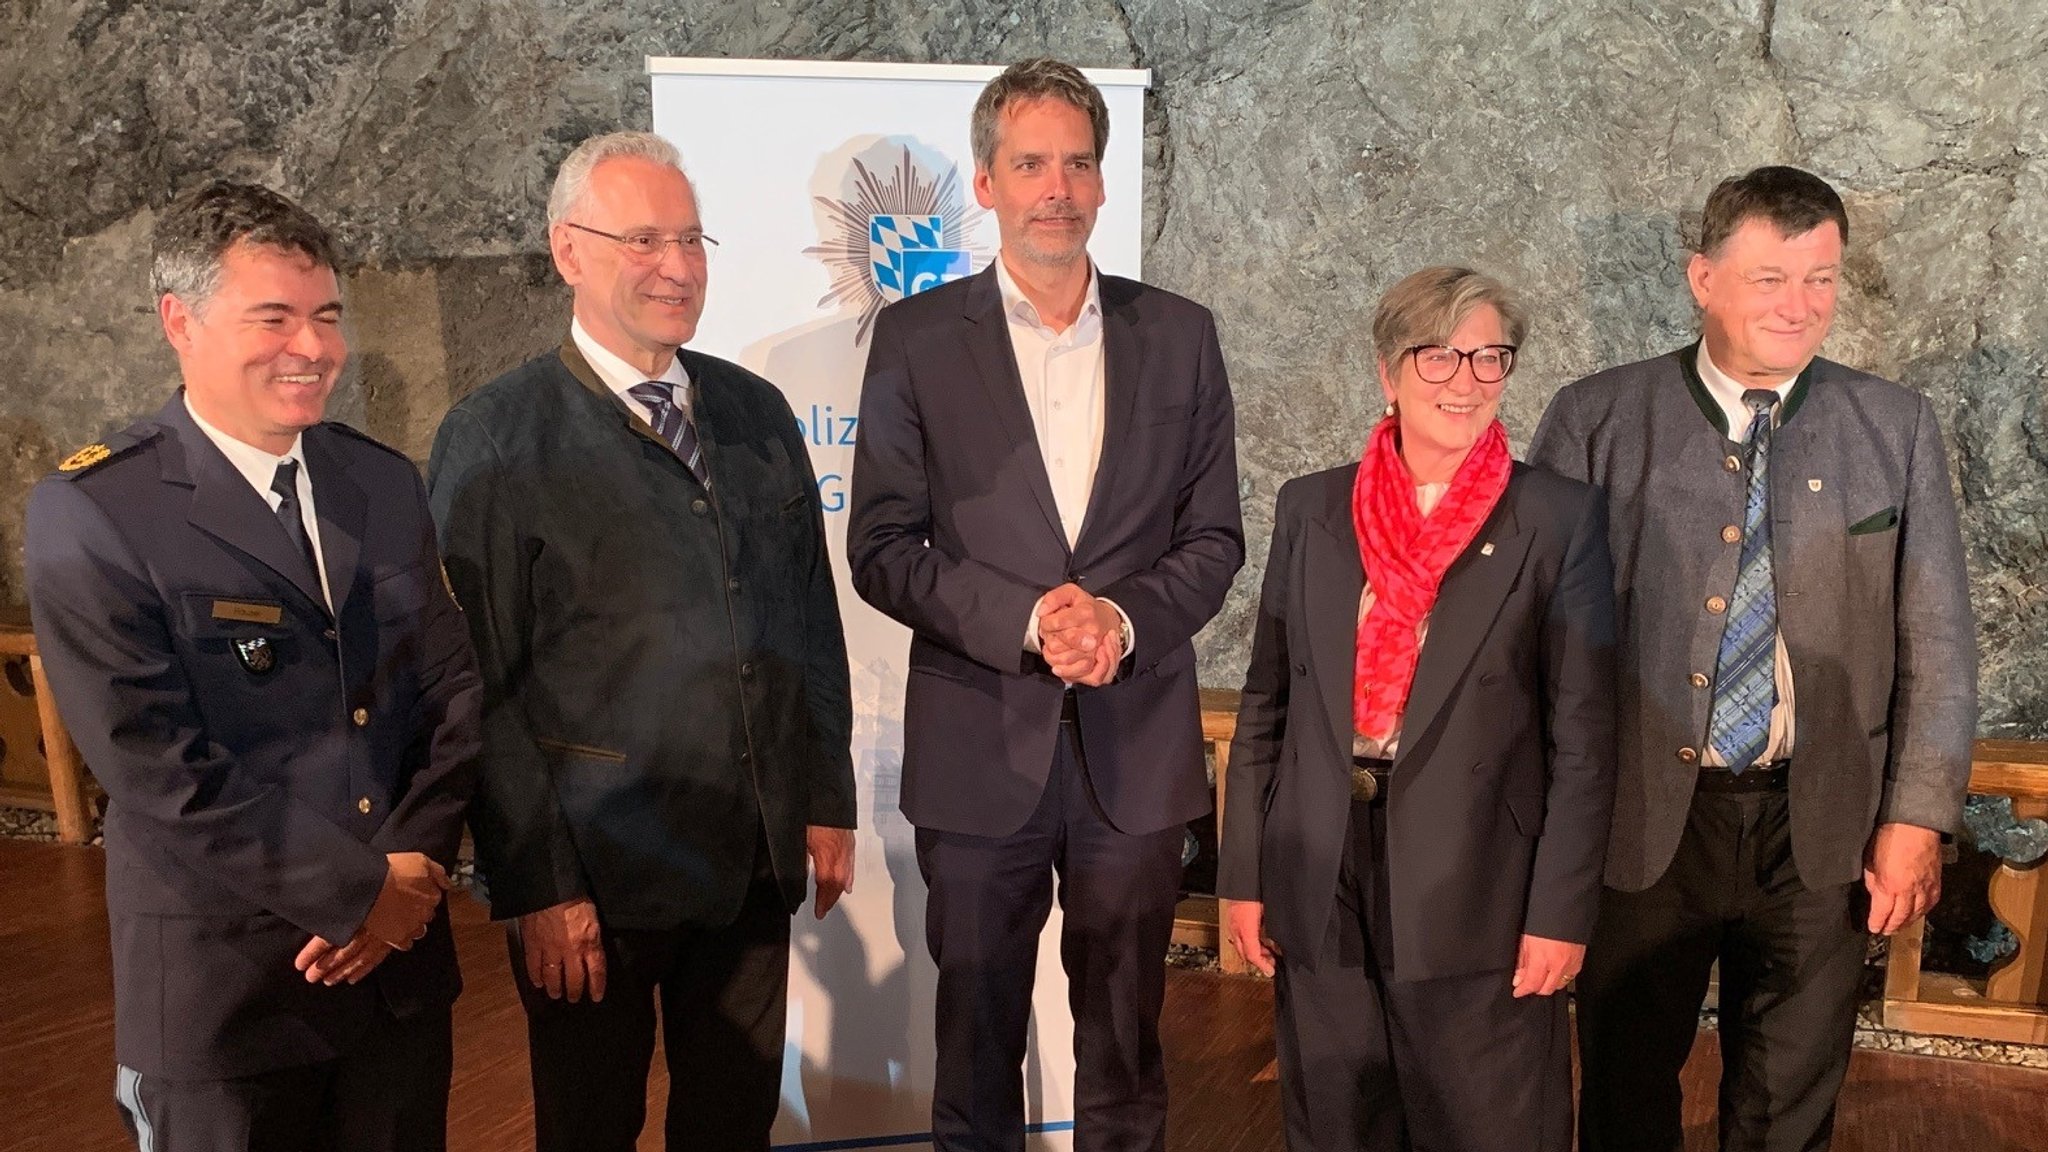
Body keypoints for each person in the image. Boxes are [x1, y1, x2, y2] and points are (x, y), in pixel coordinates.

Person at [25, 180, 481, 1151]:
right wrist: (362, 894)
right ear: (177, 321)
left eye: (324, 317)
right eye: (273, 317)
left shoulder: (381, 481)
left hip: (398, 983)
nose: (312, 347)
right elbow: (152, 761)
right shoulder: (99, 508)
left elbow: (447, 692)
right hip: (226, 995)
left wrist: (415, 867)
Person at [1528, 165, 1978, 1151]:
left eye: (1819, 278)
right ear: (1701, 279)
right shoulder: (1595, 418)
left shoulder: (1892, 427)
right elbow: (1536, 640)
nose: (1799, 304)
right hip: (1637, 825)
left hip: (1820, 827)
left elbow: (1938, 636)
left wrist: (1914, 815)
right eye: (1769, 277)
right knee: (1622, 1091)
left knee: (1785, 1108)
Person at [426, 131, 856, 1152]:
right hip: (596, 880)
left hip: (748, 854)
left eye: (692, 239)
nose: (677, 266)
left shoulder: (750, 411)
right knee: (591, 1126)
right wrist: (538, 883)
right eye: (644, 240)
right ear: (567, 250)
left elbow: (806, 617)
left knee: (731, 1121)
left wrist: (824, 798)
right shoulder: (495, 438)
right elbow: (476, 681)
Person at [847, 57, 1244, 1152]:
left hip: (1136, 753)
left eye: (1076, 162)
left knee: (1126, 1043)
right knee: (973, 1040)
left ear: (1103, 183)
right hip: (979, 750)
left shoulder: (1180, 334)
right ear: (985, 182)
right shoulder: (918, 341)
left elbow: (1215, 539)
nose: (1054, 188)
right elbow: (880, 547)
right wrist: (1031, 621)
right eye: (1029, 164)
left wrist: (1116, 623)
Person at [1216, 266, 1616, 1152]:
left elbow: (1585, 741)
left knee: (1485, 1121)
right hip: (1323, 861)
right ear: (1388, 372)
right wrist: (1244, 873)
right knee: (1337, 1118)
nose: (1465, 382)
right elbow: (1268, 703)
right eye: (1438, 357)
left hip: (1479, 873)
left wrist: (1560, 912)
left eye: (1488, 358)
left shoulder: (1554, 518)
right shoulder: (1313, 507)